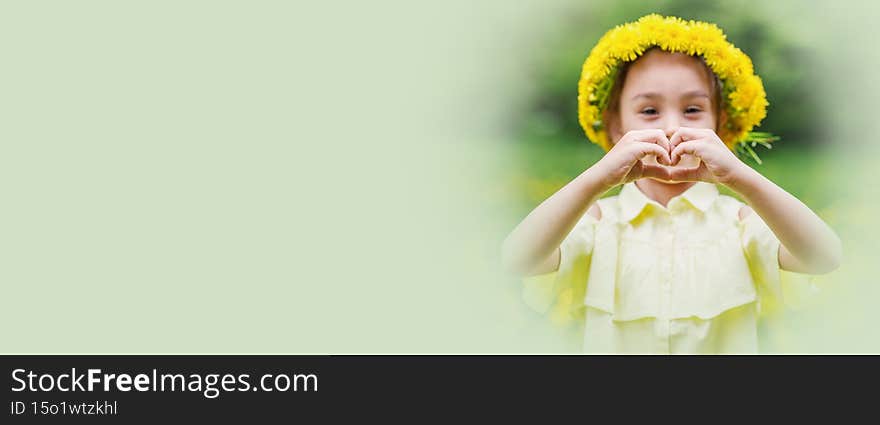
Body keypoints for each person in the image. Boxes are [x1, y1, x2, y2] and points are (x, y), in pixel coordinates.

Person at [500, 14, 841, 354]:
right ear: (616, 127)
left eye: (692, 109)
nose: (671, 127)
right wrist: (599, 177)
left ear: (720, 125)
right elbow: (517, 258)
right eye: (649, 111)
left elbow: (825, 256)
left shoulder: (739, 223)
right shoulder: (598, 221)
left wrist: (739, 176)